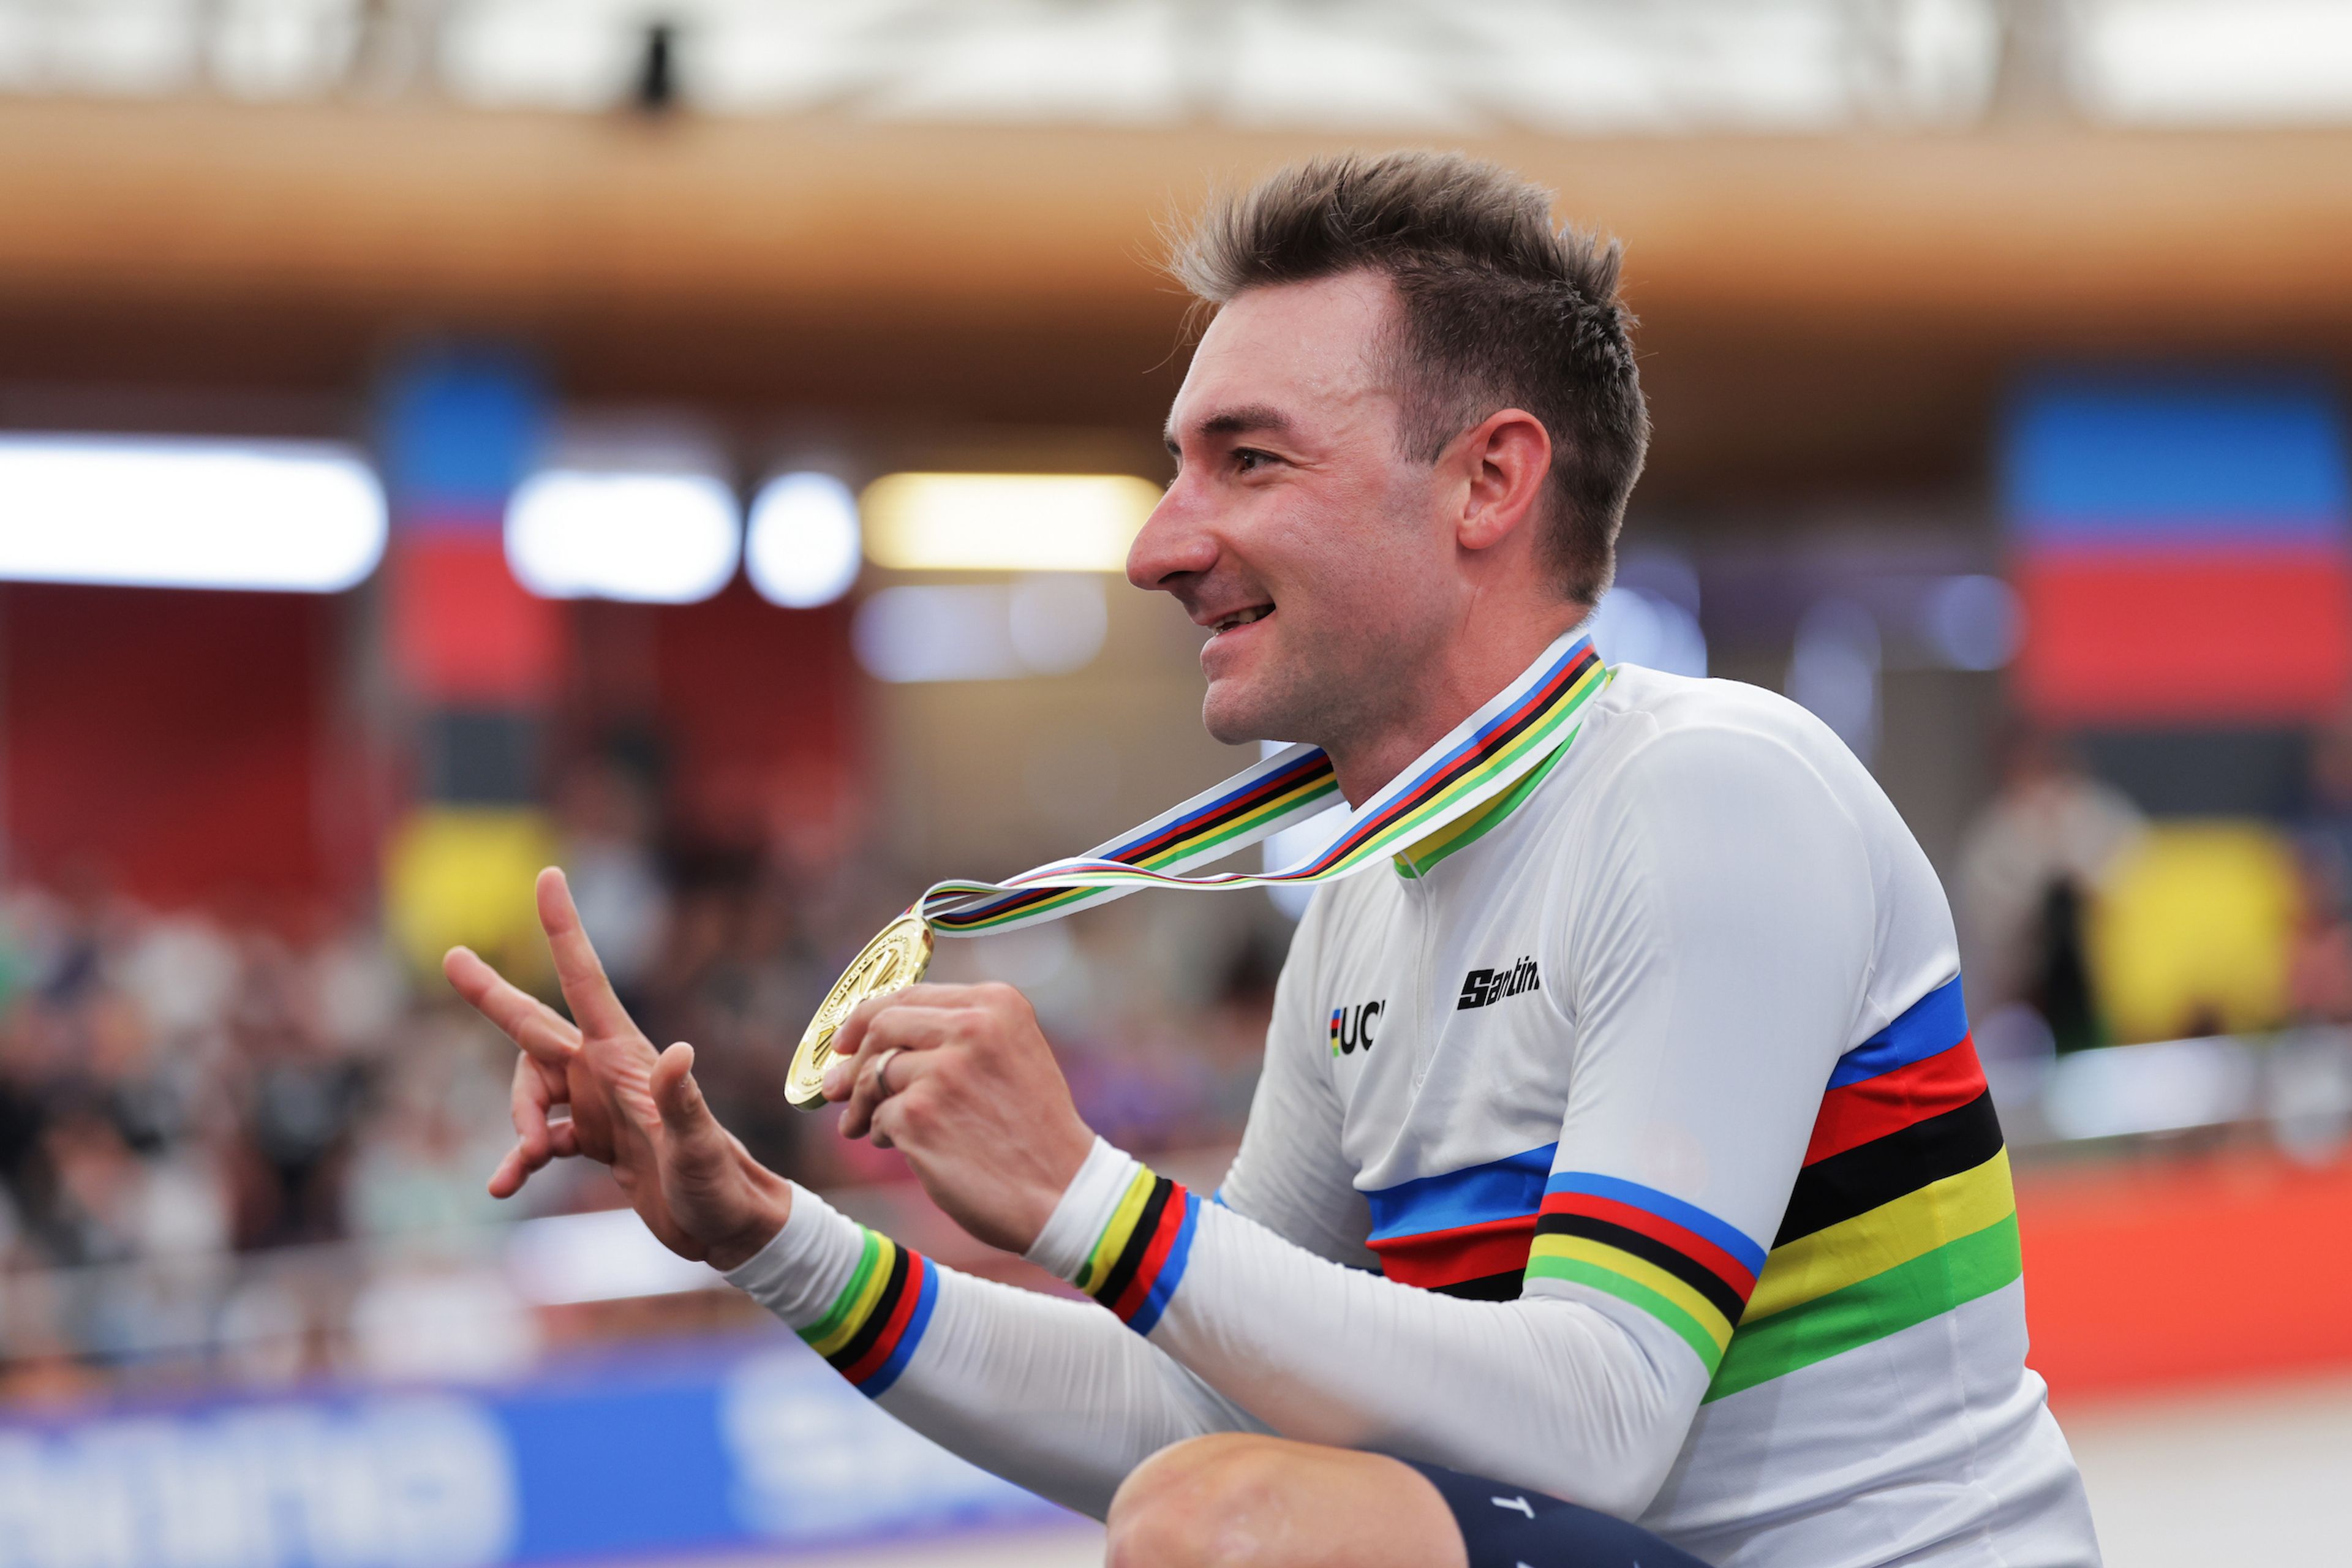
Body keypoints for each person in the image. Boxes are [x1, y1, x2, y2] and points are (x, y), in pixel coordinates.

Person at [445, 153, 2099, 1568]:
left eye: (1247, 459)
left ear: (1489, 482)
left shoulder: (1711, 791)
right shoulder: (1364, 904)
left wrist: (1087, 1195)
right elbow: (1197, 1400)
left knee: (1229, 1527)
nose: (1159, 545)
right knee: (1216, 1496)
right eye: (1178, 466)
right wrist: (769, 1230)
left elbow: (1600, 1421)